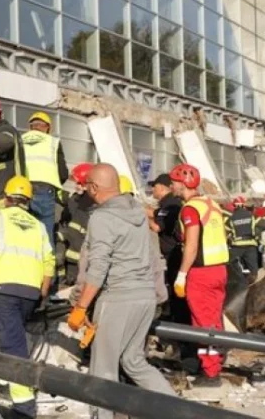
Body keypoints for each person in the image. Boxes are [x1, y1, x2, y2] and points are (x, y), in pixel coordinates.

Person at [68, 164, 176, 419]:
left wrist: (81, 306)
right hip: (144, 297)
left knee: (102, 371)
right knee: (133, 361)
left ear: (94, 188)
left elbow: (98, 267)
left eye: (87, 187)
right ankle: (179, 412)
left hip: (117, 299)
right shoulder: (137, 211)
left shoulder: (102, 218)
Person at [0, 176, 54, 419]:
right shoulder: (38, 226)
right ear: (28, 201)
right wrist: (42, 293)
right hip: (30, 293)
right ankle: (5, 383)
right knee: (11, 338)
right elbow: (49, 262)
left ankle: (24, 409)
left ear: (6, 198)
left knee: (13, 346)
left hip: (3, 290)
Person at [170, 163, 229, 386]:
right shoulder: (211, 204)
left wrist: (181, 275)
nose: (172, 186)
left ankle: (211, 373)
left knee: (202, 322)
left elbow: (192, 245)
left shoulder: (190, 209)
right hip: (219, 269)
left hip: (201, 273)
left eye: (174, 182)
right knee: (213, 319)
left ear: (183, 183)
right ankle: (218, 358)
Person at [21, 111, 68, 246]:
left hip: (23, 191)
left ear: (31, 127)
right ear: (47, 127)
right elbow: (63, 173)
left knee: (25, 233)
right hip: (45, 191)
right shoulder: (53, 142)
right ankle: (46, 265)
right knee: (45, 236)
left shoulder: (20, 139)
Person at [58, 162, 95, 286]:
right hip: (72, 260)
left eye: (80, 183)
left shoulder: (83, 204)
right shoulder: (76, 200)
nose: (77, 186)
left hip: (81, 262)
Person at [225, 196, 259, 276]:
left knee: (231, 266)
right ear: (244, 205)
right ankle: (254, 283)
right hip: (250, 245)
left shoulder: (231, 217)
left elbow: (227, 232)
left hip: (237, 245)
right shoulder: (251, 215)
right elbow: (254, 230)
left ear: (234, 205)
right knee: (253, 268)